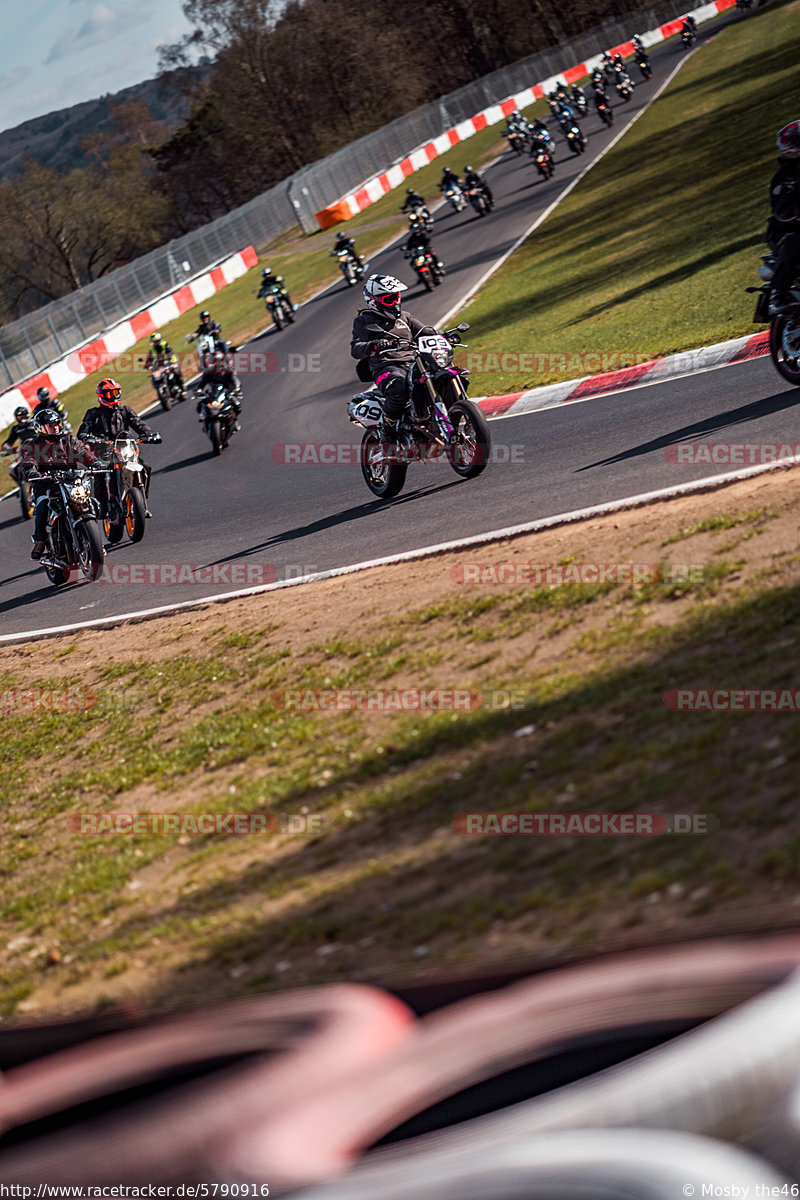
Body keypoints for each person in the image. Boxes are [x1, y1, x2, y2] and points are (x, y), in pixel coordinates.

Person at [351, 275, 436, 445]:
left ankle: (448, 418)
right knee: (399, 385)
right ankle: (387, 433)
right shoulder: (364, 321)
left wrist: (445, 336)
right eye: (389, 299)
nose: (395, 302)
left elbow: (428, 333)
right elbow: (356, 348)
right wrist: (374, 345)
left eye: (396, 297)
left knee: (441, 375)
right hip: (386, 368)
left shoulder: (405, 317)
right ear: (374, 301)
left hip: (413, 364)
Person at [20, 407, 99, 560]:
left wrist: (94, 462)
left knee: (89, 501)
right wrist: (32, 471)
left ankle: (93, 540)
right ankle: (40, 540)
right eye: (51, 425)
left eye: (57, 424)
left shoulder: (68, 440)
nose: (56, 427)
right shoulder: (32, 445)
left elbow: (82, 452)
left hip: (70, 483)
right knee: (42, 506)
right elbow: (28, 460)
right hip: (46, 487)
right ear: (41, 428)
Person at [77, 378, 161, 518]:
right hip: (104, 451)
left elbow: (139, 424)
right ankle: (102, 506)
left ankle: (141, 502)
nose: (114, 396)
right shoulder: (93, 414)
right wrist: (87, 437)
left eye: (116, 392)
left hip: (124, 448)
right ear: (102, 396)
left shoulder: (125, 411)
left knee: (145, 467)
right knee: (100, 472)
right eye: (110, 394)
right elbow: (83, 430)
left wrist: (150, 435)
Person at [767, 121, 800, 315]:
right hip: (786, 229)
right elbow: (782, 209)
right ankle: (777, 295)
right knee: (793, 241)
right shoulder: (784, 177)